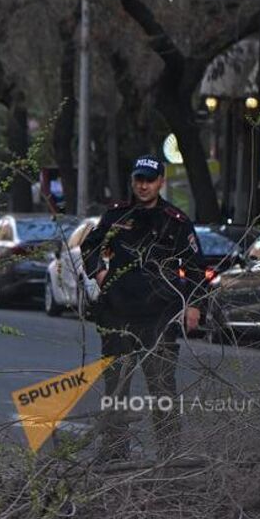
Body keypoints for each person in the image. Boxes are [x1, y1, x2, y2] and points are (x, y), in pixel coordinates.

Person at [80, 155, 202, 463]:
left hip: (159, 316)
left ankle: (170, 452)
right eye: (138, 180)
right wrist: (99, 270)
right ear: (133, 181)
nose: (143, 186)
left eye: (149, 180)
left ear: (161, 182)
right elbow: (91, 246)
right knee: (116, 387)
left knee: (162, 387)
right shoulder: (117, 215)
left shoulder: (175, 221)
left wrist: (195, 305)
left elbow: (196, 268)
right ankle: (113, 451)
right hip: (118, 313)